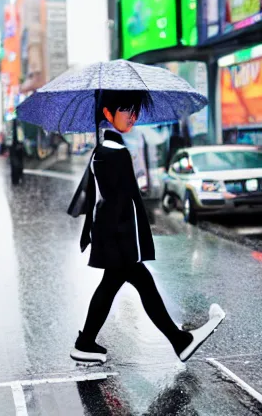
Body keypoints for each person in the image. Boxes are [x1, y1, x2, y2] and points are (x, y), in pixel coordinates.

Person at [68, 90, 225, 364]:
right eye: (126, 110)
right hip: (118, 237)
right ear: (107, 113)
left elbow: (108, 197)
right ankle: (178, 342)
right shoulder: (113, 153)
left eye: (134, 111)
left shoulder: (104, 151)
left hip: (112, 235)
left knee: (126, 284)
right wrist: (134, 244)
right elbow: (122, 204)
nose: (132, 116)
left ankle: (87, 342)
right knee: (131, 283)